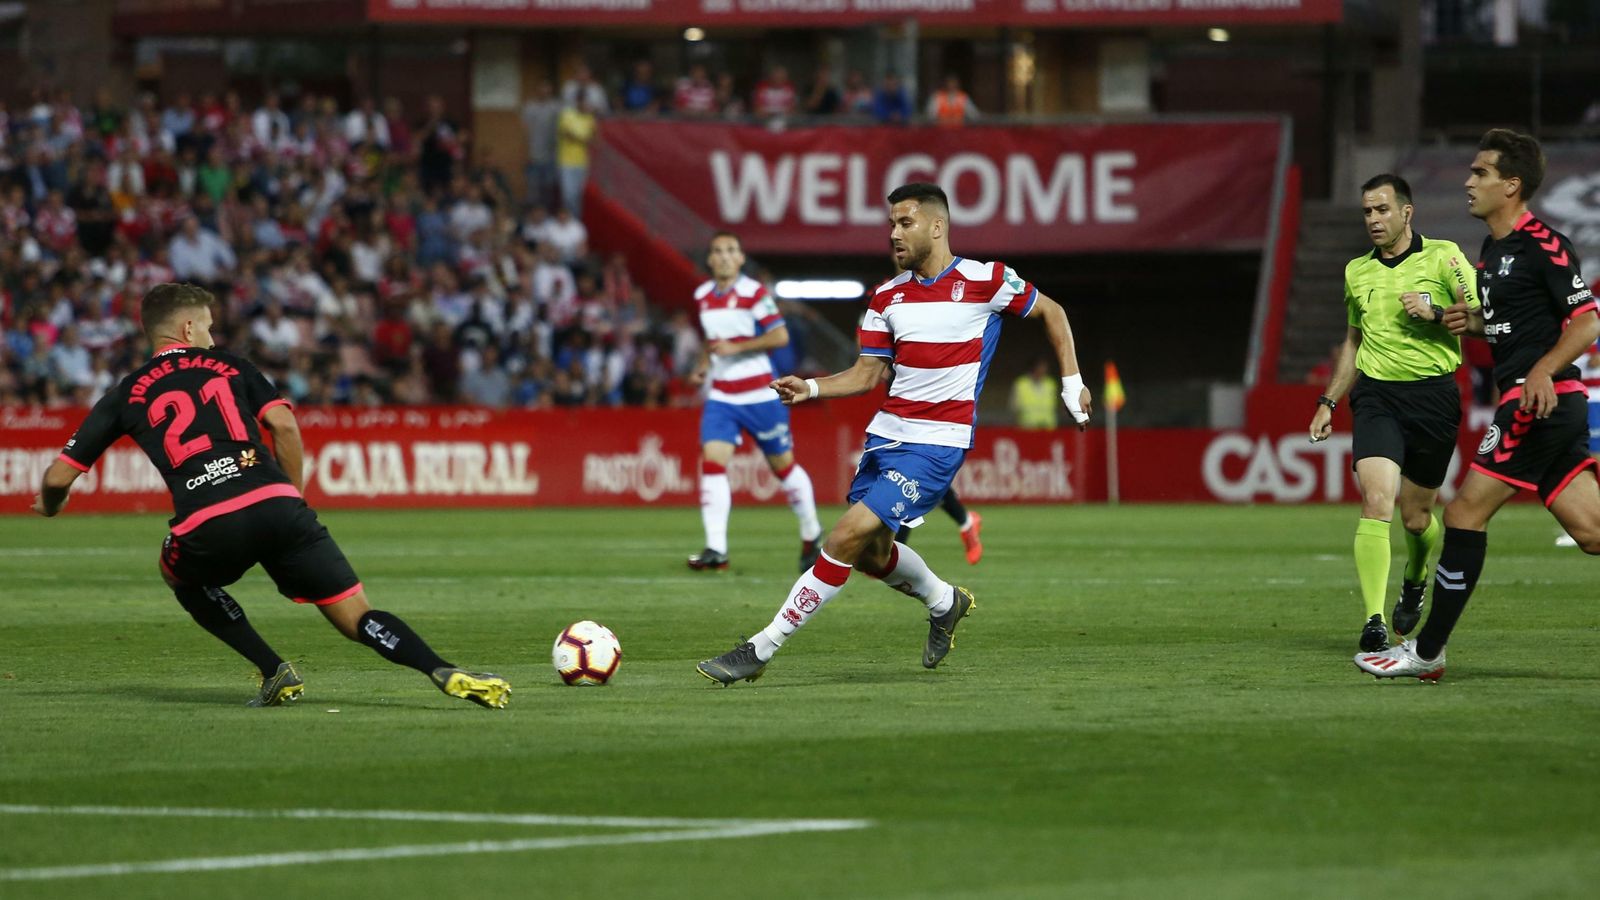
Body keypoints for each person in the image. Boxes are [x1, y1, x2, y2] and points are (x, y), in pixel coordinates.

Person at [30, 283, 510, 709]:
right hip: (279, 504)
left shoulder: (127, 392)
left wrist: (52, 506)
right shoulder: (232, 365)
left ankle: (272, 668)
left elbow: (57, 477)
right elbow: (283, 424)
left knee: (177, 573)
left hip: (209, 520)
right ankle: (438, 668)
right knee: (356, 616)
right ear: (189, 326)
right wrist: (292, 497)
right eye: (209, 328)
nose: (213, 338)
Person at [697, 183, 1091, 685]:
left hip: (937, 444)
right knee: (873, 554)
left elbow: (1052, 312)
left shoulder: (986, 280)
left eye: (905, 223)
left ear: (936, 226)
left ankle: (760, 647)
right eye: (890, 225)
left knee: (844, 534)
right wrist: (812, 388)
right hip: (886, 437)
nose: (894, 234)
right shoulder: (887, 295)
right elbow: (867, 374)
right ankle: (945, 601)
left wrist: (1072, 384)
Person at [1355, 129, 1600, 680]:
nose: (1468, 182)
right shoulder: (1493, 251)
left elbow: (1586, 322)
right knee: (1591, 533)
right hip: (1544, 403)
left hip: (1537, 403)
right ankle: (1426, 652)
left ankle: (1426, 652)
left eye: (1480, 173)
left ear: (1511, 185)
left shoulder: (1543, 244)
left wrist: (1540, 369)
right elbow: (1514, 327)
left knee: (1463, 514)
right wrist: (1461, 322)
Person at [1309, 173, 1479, 653]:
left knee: (1416, 518)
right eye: (1367, 212)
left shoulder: (1444, 255)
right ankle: (1374, 621)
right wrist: (1328, 400)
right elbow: (1353, 341)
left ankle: (1416, 575)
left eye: (1382, 210)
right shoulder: (1356, 271)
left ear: (1407, 212)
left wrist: (1436, 309)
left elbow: (1484, 314)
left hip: (1433, 397)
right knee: (1376, 502)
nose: (1374, 220)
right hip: (1377, 397)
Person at [685, 232, 823, 574]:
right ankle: (717, 548)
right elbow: (713, 340)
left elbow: (780, 335)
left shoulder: (754, 294)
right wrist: (703, 366)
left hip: (760, 394)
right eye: (718, 251)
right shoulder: (703, 295)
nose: (724, 256)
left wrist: (737, 346)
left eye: (731, 250)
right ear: (710, 259)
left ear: (741, 258)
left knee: (783, 468)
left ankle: (812, 534)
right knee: (713, 463)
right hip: (721, 396)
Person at [1555, 338, 1600, 546]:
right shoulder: (1575, 309)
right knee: (1582, 457)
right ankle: (1587, 520)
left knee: (1591, 458)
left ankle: (1590, 521)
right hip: (1578, 393)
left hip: (1595, 396)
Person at [1011, 356, 1059, 430]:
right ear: (1034, 368)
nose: (1043, 370)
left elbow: (1054, 407)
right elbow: (1014, 407)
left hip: (1048, 429)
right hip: (1027, 428)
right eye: (1041, 367)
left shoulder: (1050, 384)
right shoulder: (1021, 384)